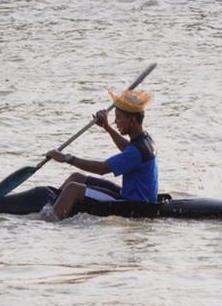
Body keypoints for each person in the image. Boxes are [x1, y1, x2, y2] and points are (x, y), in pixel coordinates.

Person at [39, 88, 158, 221]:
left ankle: (47, 223)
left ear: (132, 121)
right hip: (130, 194)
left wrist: (67, 158)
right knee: (76, 177)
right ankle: (51, 204)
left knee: (73, 189)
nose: (116, 122)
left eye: (119, 118)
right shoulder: (145, 139)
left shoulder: (136, 151)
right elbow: (127, 148)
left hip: (134, 205)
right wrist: (106, 127)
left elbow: (102, 169)